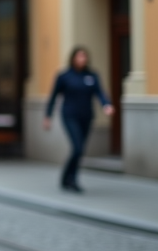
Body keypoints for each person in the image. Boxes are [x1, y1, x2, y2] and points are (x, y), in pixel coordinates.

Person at [44, 46, 114, 193]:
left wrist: (106, 105)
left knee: (80, 150)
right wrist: (47, 116)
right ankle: (72, 179)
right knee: (77, 147)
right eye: (79, 57)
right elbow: (53, 96)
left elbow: (100, 92)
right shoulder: (64, 76)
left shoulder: (92, 75)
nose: (82, 59)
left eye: (84, 57)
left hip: (86, 116)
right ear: (73, 58)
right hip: (69, 116)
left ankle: (66, 177)